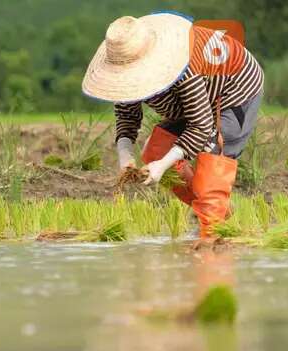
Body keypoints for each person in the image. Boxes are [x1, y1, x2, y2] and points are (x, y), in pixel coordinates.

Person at [81, 12, 264, 248]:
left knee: (211, 169)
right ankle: (218, 213)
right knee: (155, 152)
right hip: (190, 103)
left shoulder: (181, 63)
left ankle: (212, 240)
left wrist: (163, 166)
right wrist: (125, 158)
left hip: (232, 92)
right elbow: (127, 118)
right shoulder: (124, 74)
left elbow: (201, 125)